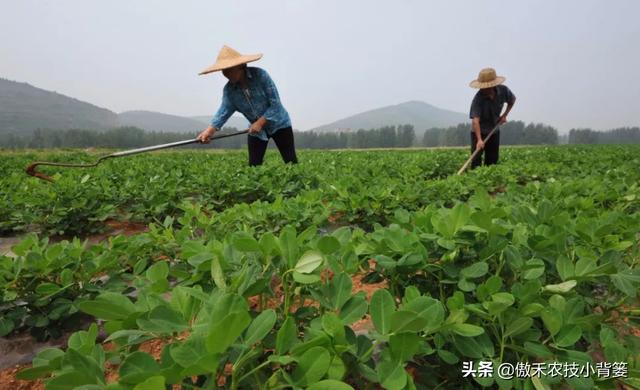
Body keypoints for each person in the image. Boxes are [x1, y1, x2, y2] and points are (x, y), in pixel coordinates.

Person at [197, 45, 298, 166]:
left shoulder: (261, 76)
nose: (226, 74)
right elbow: (224, 111)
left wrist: (260, 122)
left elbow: (276, 105)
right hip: (256, 131)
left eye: (229, 69)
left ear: (241, 66)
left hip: (280, 123)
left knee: (291, 162)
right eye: (223, 70)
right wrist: (209, 131)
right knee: (253, 166)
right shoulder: (229, 91)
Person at [468, 68, 516, 168]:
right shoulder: (478, 99)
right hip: (478, 131)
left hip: (494, 129)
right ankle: (475, 178)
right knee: (476, 159)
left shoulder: (503, 90)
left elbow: (512, 100)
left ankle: (490, 179)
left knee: (492, 159)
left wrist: (504, 115)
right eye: (483, 87)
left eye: (487, 87)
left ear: (493, 85)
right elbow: (475, 121)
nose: (484, 89)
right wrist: (479, 140)